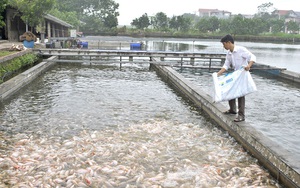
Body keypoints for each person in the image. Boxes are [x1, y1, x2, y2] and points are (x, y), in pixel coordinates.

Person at [217, 34, 256, 122]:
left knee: (240, 94)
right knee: (230, 89)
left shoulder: (241, 50)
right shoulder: (229, 53)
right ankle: (232, 110)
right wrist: (218, 74)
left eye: (224, 44)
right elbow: (226, 65)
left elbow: (252, 57)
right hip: (235, 74)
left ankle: (241, 115)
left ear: (229, 42)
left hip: (242, 74)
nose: (224, 46)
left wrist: (248, 66)